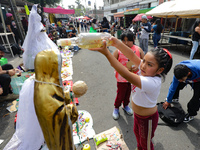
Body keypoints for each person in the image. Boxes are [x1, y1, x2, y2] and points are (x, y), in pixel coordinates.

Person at [89, 37, 172, 150]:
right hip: (138, 116)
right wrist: (117, 43)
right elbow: (132, 56)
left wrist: (107, 53)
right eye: (143, 61)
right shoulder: (146, 71)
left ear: (160, 70)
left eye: (150, 64)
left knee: (146, 144)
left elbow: (125, 74)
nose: (143, 65)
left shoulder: (152, 81)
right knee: (138, 137)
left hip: (147, 119)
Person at [112, 31, 144, 120]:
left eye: (128, 40)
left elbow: (143, 62)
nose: (126, 43)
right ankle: (116, 107)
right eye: (123, 40)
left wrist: (138, 67)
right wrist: (123, 69)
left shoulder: (138, 49)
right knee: (120, 94)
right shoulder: (118, 51)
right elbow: (113, 63)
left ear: (133, 39)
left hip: (133, 78)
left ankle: (125, 105)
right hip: (121, 78)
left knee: (129, 93)